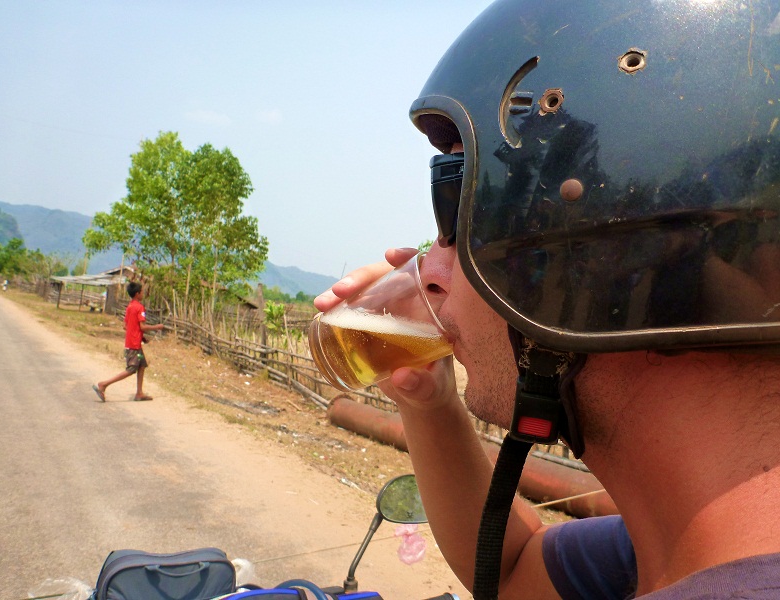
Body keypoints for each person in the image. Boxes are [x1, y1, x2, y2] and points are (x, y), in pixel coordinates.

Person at [315, 1, 780, 598]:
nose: (428, 267)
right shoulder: (687, 543)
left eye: (457, 215)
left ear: (609, 247)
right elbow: (515, 571)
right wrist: (428, 404)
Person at [93, 281, 164, 402]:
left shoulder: (130, 307)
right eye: (142, 292)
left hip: (132, 342)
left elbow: (126, 326)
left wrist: (141, 337)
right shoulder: (140, 307)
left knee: (141, 366)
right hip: (134, 345)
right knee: (131, 369)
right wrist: (157, 327)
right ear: (137, 294)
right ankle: (104, 384)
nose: (143, 293)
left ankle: (139, 393)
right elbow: (142, 326)